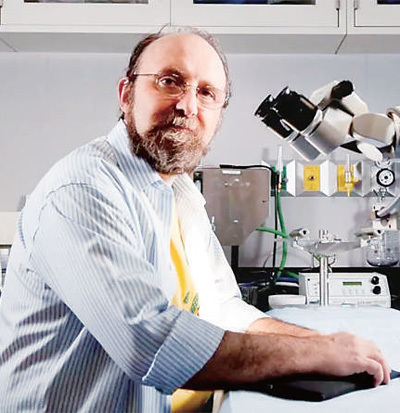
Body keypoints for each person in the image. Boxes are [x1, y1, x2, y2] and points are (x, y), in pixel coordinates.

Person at [0, 27, 391, 412]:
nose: (188, 106)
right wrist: (311, 355)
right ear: (126, 94)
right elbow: (150, 343)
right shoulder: (83, 189)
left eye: (207, 93)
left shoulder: (178, 191)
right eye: (170, 81)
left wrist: (319, 345)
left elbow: (221, 307)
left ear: (219, 114)